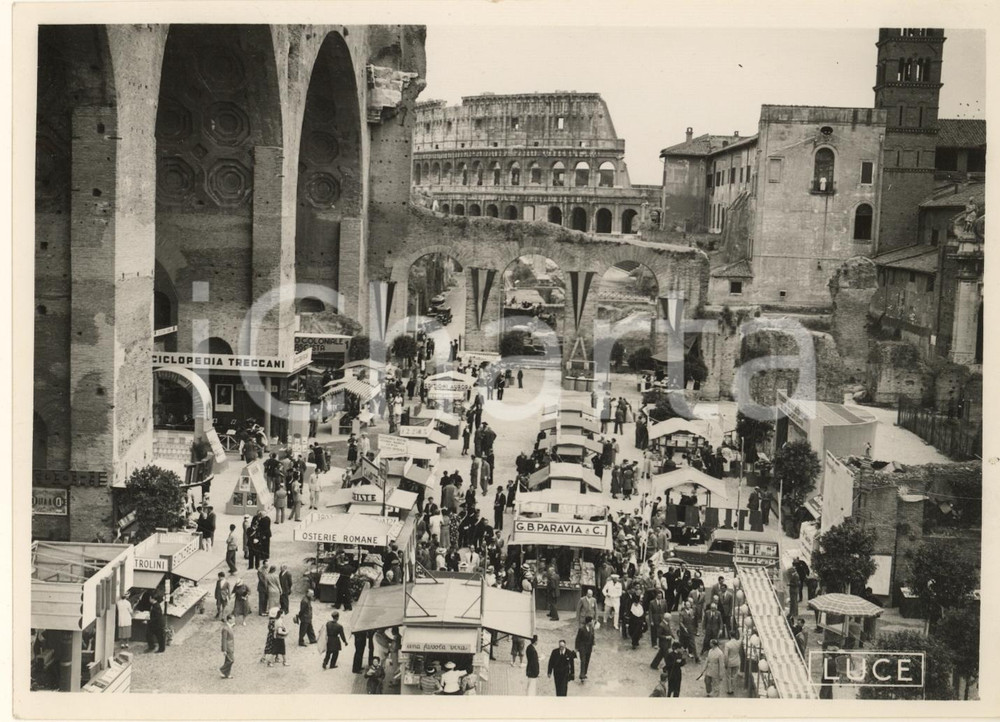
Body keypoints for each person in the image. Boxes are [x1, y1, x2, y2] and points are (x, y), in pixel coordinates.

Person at [574, 617, 596, 682]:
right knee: (583, 661)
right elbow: (577, 639)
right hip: (582, 647)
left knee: (587, 660)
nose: (592, 622)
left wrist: (594, 645)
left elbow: (593, 637)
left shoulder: (592, 629)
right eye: (591, 621)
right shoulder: (581, 629)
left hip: (589, 647)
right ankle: (582, 675)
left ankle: (585, 673)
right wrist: (576, 648)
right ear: (588, 622)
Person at [723, 630, 741, 694]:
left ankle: (729, 690)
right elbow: (742, 637)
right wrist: (740, 631)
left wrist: (725, 663)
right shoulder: (738, 643)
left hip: (730, 662)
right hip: (736, 661)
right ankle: (733, 689)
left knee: (728, 676)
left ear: (730, 635)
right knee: (734, 675)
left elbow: (726, 655)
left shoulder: (727, 644)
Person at [220, 614, 236, 679]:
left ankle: (227, 674)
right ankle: (222, 670)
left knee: (227, 660)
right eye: (233, 619)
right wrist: (224, 650)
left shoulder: (229, 626)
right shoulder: (225, 628)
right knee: (231, 660)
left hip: (231, 646)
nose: (234, 620)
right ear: (229, 620)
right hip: (228, 647)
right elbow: (224, 639)